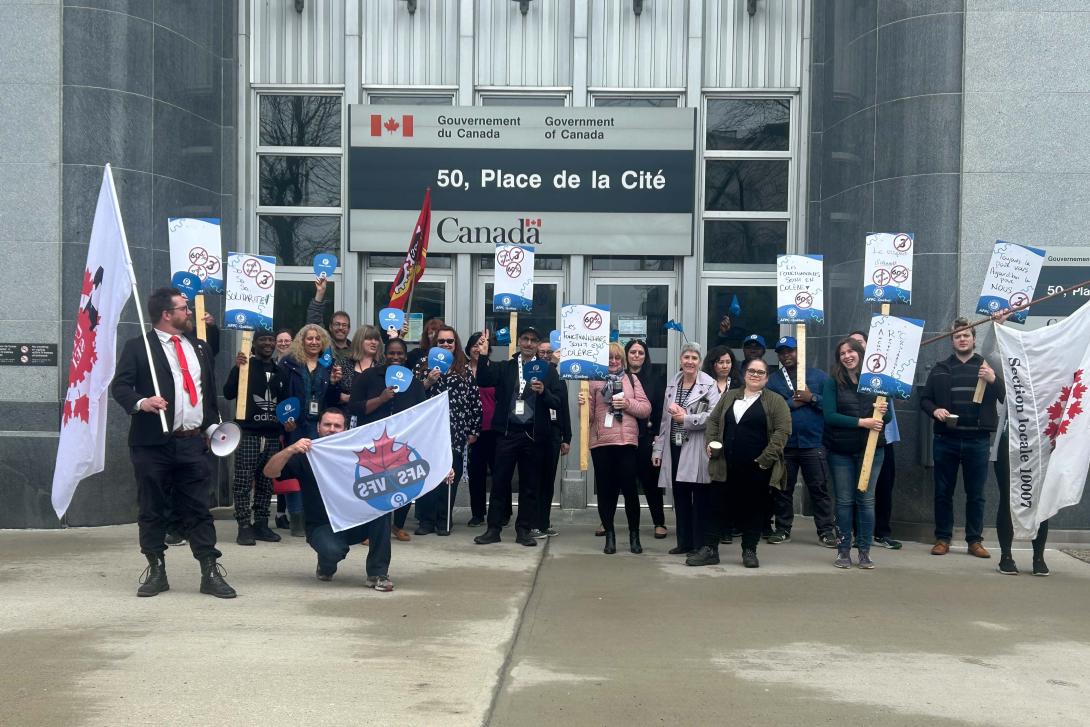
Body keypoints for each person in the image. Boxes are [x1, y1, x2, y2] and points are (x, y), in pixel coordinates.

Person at [110, 287, 235, 598]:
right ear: (167, 314)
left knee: (199, 508)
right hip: (152, 444)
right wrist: (141, 402)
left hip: (192, 444)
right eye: (183, 308)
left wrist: (212, 428)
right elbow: (120, 387)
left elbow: (207, 395)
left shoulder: (200, 348)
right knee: (152, 507)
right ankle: (156, 569)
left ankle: (209, 570)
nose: (189, 312)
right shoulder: (139, 348)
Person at [262, 407, 395, 592]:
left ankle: (377, 574)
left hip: (354, 521)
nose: (332, 429)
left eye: (337, 425)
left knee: (383, 508)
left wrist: (442, 468)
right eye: (327, 424)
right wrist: (290, 449)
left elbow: (394, 468)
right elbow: (269, 472)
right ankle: (325, 564)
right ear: (318, 427)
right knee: (333, 551)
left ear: (345, 429)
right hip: (322, 525)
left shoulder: (358, 453)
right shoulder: (305, 454)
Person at [919, 317, 1003, 558]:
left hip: (978, 440)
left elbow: (1005, 397)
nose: (962, 339)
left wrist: (993, 379)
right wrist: (935, 410)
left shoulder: (986, 366)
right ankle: (942, 538)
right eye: (958, 336)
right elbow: (924, 399)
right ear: (952, 341)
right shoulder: (941, 368)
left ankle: (974, 541)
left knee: (976, 494)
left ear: (974, 340)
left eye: (966, 335)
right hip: (946, 440)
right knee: (943, 492)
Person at [473, 327, 565, 547]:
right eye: (525, 339)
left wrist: (544, 391)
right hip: (508, 433)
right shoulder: (506, 367)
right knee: (499, 483)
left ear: (537, 345)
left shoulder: (548, 370)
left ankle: (523, 530)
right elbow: (483, 380)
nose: (529, 343)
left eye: (534, 340)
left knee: (530, 485)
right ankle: (493, 529)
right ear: (519, 342)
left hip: (533, 435)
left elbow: (558, 403)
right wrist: (484, 354)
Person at [704, 357, 791, 568]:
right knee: (716, 507)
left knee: (753, 509)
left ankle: (749, 551)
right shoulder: (730, 396)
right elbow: (714, 420)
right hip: (725, 464)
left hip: (757, 467)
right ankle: (710, 550)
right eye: (751, 371)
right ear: (744, 374)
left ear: (766, 377)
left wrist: (764, 460)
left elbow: (782, 431)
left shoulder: (775, 401)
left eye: (760, 372)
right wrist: (712, 441)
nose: (755, 375)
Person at [348, 337, 427, 542]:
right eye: (391, 353)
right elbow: (355, 407)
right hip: (374, 441)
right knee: (373, 484)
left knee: (405, 482)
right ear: (384, 354)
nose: (396, 357)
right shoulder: (369, 376)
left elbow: (421, 413)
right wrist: (381, 399)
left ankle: (397, 525)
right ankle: (367, 530)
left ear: (405, 356)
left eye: (400, 353)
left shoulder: (414, 382)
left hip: (403, 443)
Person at [823, 337, 890, 569]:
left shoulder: (877, 381)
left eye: (851, 351)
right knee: (843, 501)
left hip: (872, 450)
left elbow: (887, 419)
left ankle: (864, 551)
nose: (847, 356)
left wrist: (883, 409)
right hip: (841, 451)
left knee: (866, 500)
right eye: (842, 353)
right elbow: (829, 416)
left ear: (861, 353)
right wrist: (863, 422)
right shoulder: (833, 382)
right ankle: (843, 551)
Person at [765, 336, 837, 547]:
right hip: (785, 444)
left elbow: (832, 406)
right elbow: (770, 411)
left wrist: (811, 398)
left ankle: (826, 531)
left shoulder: (820, 377)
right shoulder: (774, 380)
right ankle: (783, 529)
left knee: (819, 489)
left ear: (800, 352)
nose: (786, 355)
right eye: (782, 352)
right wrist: (792, 402)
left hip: (813, 443)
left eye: (791, 351)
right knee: (783, 490)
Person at [580, 343, 651, 554]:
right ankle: (609, 535)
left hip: (626, 443)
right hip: (602, 444)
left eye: (617, 358)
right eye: (609, 358)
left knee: (630, 491)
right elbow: (589, 418)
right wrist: (583, 404)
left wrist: (627, 404)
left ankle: (634, 536)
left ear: (623, 360)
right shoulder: (592, 381)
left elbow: (646, 408)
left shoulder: (631, 379)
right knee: (605, 491)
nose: (613, 362)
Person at [653, 342, 720, 558]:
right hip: (674, 446)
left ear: (699, 362)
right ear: (680, 360)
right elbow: (665, 420)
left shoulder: (709, 385)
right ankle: (684, 542)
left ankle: (700, 544)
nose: (689, 362)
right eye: (686, 357)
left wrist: (687, 419)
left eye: (694, 358)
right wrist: (658, 450)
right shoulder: (673, 383)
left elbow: (714, 417)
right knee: (680, 497)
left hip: (696, 448)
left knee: (699, 497)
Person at [412, 325, 481, 536]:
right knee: (427, 475)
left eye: (449, 341)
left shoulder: (464, 367)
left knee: (451, 475)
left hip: (456, 430)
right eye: (441, 341)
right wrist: (428, 381)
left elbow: (473, 400)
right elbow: (411, 395)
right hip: (428, 431)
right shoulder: (423, 364)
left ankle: (444, 520)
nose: (445, 345)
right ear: (435, 343)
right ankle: (426, 521)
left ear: (455, 344)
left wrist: (473, 429)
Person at [277, 324, 344, 536]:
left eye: (317, 339)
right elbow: (281, 395)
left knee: (317, 471)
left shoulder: (329, 365)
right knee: (295, 468)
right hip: (295, 424)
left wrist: (334, 383)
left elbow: (332, 401)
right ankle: (296, 517)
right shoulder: (289, 363)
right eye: (309, 338)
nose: (314, 342)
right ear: (301, 341)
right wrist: (284, 421)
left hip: (319, 426)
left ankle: (313, 516)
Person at [222, 327, 283, 546]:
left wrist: (289, 421)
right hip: (248, 433)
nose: (268, 343)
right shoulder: (245, 366)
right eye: (263, 340)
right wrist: (237, 369)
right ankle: (244, 525)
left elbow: (286, 403)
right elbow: (228, 393)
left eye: (271, 339)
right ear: (254, 343)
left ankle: (262, 524)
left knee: (267, 481)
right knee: (243, 481)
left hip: (272, 434)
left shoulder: (280, 370)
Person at [849, 329, 902, 549]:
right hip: (856, 439)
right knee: (855, 487)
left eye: (859, 343)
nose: (855, 348)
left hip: (883, 438)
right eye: (851, 345)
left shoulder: (883, 369)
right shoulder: (846, 376)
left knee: (883, 486)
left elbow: (900, 393)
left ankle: (881, 532)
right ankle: (854, 532)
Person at [626, 339, 668, 540]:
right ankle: (606, 520)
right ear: (626, 355)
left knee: (651, 481)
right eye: (632, 352)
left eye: (640, 352)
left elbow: (660, 411)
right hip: (622, 437)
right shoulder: (617, 377)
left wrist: (656, 438)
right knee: (620, 480)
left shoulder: (655, 379)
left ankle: (659, 522)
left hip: (646, 437)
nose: (636, 356)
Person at [534, 338, 571, 538]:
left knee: (548, 482)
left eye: (550, 352)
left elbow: (562, 407)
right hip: (533, 436)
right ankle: (532, 523)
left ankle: (544, 522)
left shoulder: (558, 378)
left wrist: (568, 437)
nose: (546, 355)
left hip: (553, 436)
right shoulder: (530, 376)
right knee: (535, 481)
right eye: (542, 352)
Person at [466, 331, 499, 528]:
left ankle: (502, 512)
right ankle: (477, 513)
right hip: (472, 431)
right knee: (476, 473)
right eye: (475, 345)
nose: (478, 348)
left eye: (483, 344)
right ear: (469, 348)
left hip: (493, 429)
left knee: (498, 473)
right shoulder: (462, 371)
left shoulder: (494, 369)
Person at [307, 277, 351, 363]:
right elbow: (314, 321)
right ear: (330, 327)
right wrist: (320, 293)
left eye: (344, 325)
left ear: (349, 329)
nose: (341, 328)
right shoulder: (323, 346)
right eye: (337, 324)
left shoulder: (355, 351)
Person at [338, 325, 384, 404]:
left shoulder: (382, 365)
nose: (374, 342)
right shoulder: (345, 363)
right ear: (359, 340)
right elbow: (334, 392)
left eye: (376, 339)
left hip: (375, 413)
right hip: (347, 413)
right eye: (369, 339)